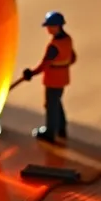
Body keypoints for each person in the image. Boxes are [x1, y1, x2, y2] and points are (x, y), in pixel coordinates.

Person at [22, 11, 76, 143]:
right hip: (63, 78)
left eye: (49, 26)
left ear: (57, 26)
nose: (47, 29)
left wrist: (31, 73)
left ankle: (50, 132)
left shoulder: (54, 46)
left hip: (53, 80)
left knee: (51, 105)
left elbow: (44, 65)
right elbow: (73, 58)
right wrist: (63, 64)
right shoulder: (67, 39)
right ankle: (61, 129)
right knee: (57, 103)